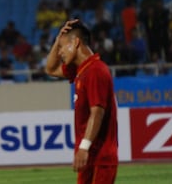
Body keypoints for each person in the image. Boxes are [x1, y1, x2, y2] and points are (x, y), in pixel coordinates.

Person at [45, 19, 118, 184]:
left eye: (62, 47)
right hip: (89, 156)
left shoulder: (96, 70)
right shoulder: (81, 70)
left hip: (100, 157)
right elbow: (50, 69)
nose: (59, 52)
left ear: (76, 42)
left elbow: (97, 112)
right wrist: (58, 39)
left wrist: (84, 147)